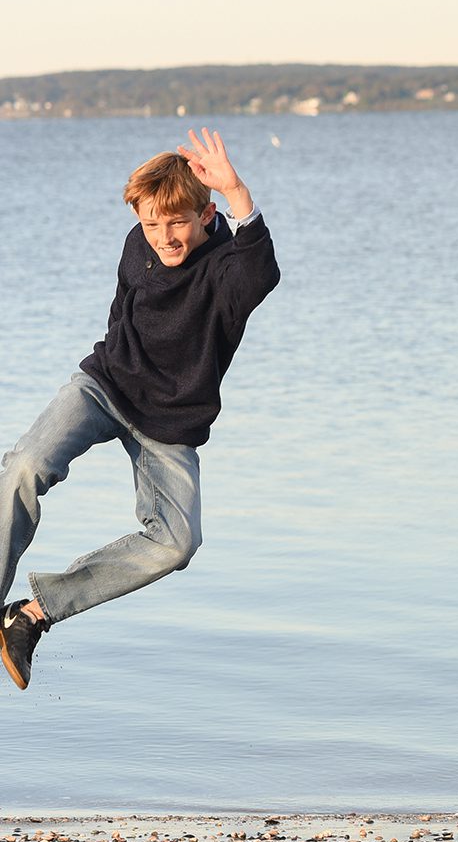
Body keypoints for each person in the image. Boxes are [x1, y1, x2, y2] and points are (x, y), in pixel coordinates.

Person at [1, 129, 281, 689]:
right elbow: (123, 306)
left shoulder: (228, 269)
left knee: (176, 543)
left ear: (205, 215)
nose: (163, 237)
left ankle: (31, 616)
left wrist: (238, 192)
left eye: (177, 222)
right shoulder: (139, 241)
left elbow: (261, 271)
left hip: (171, 419)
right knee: (25, 466)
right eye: (152, 224)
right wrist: (114, 361)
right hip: (106, 384)